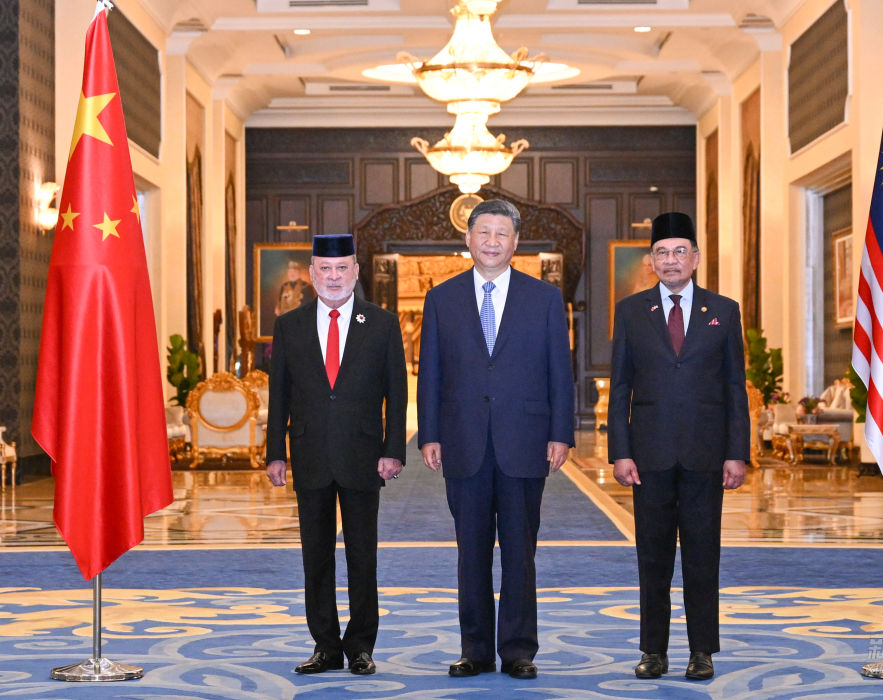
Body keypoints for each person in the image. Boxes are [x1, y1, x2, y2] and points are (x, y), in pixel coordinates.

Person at [417, 199, 575, 680]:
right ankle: (476, 649)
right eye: (483, 232)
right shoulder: (441, 299)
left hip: (525, 441)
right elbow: (431, 372)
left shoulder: (544, 298)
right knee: (471, 552)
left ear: (515, 242)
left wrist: (561, 433)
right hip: (463, 441)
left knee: (520, 552)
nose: (491, 242)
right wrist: (429, 433)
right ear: (467, 238)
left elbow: (560, 371)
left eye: (501, 233)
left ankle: (519, 650)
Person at [608, 212, 750, 681]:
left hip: (705, 455)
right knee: (652, 558)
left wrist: (737, 452)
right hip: (648, 456)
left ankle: (701, 651)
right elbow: (621, 386)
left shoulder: (723, 311)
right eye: (662, 253)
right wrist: (620, 451)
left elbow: (734, 387)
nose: (671, 260)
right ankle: (653, 651)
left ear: (695, 258)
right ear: (651, 260)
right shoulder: (632, 311)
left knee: (702, 556)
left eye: (679, 251)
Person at [266, 234, 407, 676]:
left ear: (355, 272)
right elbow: (279, 395)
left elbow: (397, 394)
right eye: (325, 269)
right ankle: (325, 646)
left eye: (342, 268)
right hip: (309, 453)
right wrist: (275, 453)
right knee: (316, 556)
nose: (333, 277)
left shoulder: (381, 324)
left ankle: (361, 646)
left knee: (363, 555)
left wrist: (394, 450)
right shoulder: (290, 326)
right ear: (312, 274)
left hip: (363, 455)